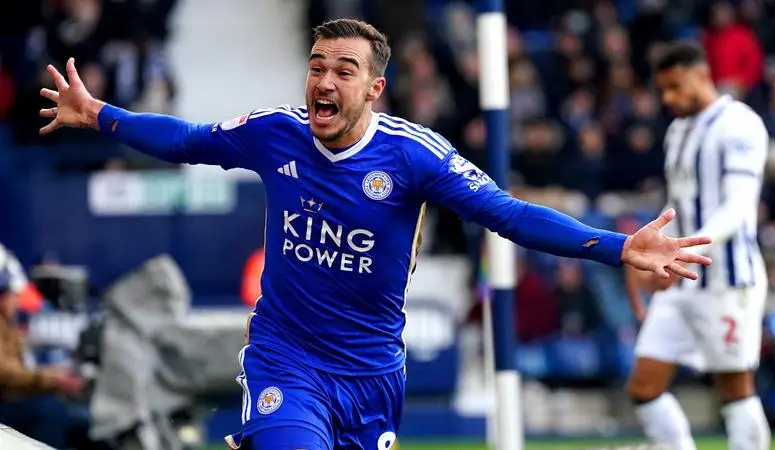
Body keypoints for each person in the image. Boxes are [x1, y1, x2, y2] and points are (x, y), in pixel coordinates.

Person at [39, 19, 711, 450]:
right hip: (286, 358)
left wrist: (617, 246)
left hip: (371, 375)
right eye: (317, 66)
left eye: (344, 70)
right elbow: (187, 140)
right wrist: (100, 115)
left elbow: (508, 214)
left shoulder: (416, 157)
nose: (324, 81)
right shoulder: (276, 133)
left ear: (374, 88)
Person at [624, 41, 770, 450]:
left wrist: (680, 253)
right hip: (680, 277)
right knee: (644, 386)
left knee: (735, 387)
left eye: (676, 87)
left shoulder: (740, 124)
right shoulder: (677, 131)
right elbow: (679, 203)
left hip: (727, 280)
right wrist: (647, 249)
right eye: (663, 90)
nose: (668, 98)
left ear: (702, 75)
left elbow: (738, 208)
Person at [0, 262, 87, 448]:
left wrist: (54, 376)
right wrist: (53, 379)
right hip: (5, 404)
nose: (17, 302)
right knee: (51, 412)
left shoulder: (8, 324)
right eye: (13, 296)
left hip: (11, 398)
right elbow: (6, 374)